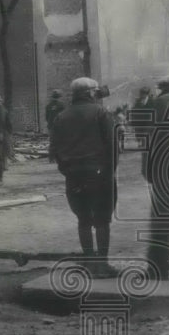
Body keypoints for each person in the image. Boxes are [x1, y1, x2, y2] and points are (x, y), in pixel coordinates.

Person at [50, 77, 119, 278]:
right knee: (102, 220)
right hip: (99, 174)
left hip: (73, 175)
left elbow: (54, 148)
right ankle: (102, 265)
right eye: (95, 90)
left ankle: (89, 263)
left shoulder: (61, 116)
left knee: (83, 219)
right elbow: (112, 144)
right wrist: (110, 171)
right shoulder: (100, 112)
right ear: (89, 92)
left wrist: (67, 169)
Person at [143, 76, 169, 279]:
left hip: (165, 169)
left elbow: (149, 137)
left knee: (161, 219)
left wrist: (147, 169)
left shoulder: (158, 103)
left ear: (163, 88)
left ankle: (158, 269)